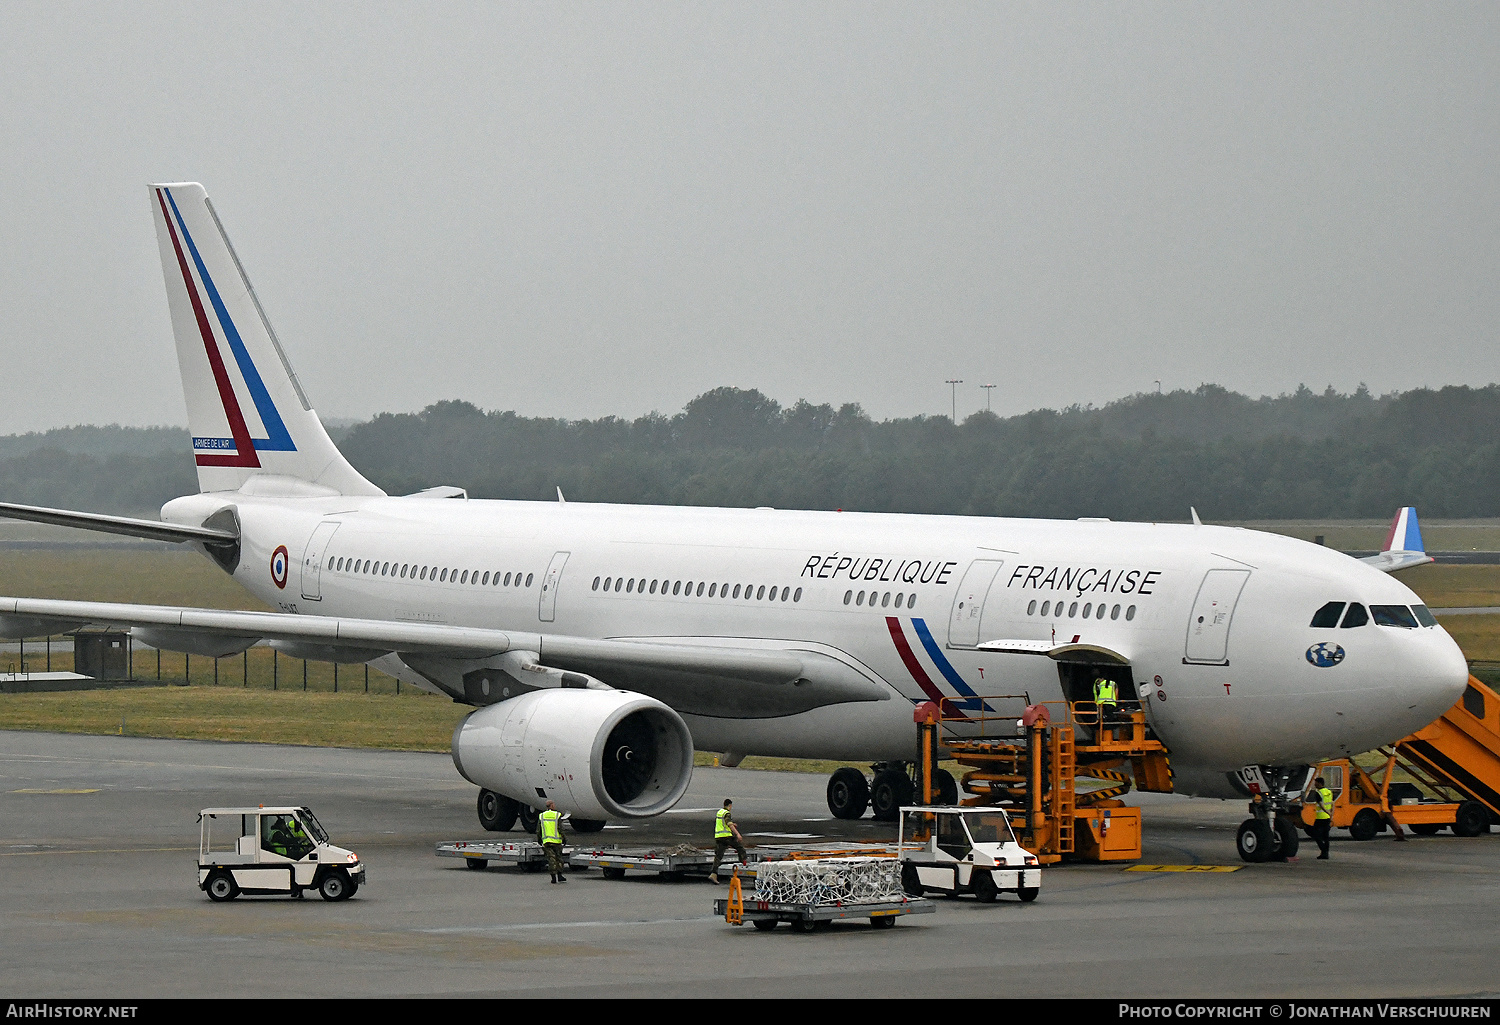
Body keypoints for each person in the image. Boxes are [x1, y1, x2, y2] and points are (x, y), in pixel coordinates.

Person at [708, 799, 747, 884]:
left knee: (718, 856)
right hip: (726, 836)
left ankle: (713, 874)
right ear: (730, 805)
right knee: (740, 848)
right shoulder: (727, 813)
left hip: (719, 837)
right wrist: (737, 834)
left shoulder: (720, 812)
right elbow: (728, 823)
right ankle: (743, 865)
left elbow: (723, 823)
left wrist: (732, 824)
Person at [537, 800, 567, 883]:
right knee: (559, 859)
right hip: (556, 842)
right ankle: (560, 875)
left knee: (551, 859)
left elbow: (538, 829)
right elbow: (560, 828)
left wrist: (539, 839)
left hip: (547, 841)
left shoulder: (542, 815)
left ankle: (553, 877)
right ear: (552, 806)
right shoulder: (557, 815)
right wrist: (564, 838)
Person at [1311, 777, 1334, 859]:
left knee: (1316, 835)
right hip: (1327, 817)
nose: (1314, 784)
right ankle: (1326, 853)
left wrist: (1327, 812)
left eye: (1316, 782)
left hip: (1320, 818)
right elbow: (1332, 803)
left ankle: (1323, 850)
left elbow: (1321, 805)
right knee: (1326, 836)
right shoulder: (1329, 792)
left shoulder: (1318, 793)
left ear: (1319, 783)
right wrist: (1331, 814)